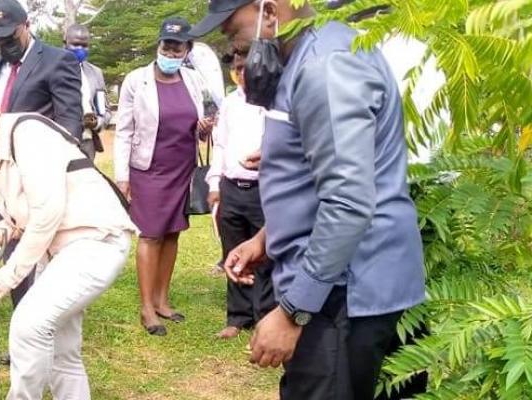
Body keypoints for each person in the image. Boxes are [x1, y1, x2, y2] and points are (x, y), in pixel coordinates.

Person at [192, 1, 426, 398]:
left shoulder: (325, 67)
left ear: (269, 9)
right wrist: (266, 238)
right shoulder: (310, 55)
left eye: (234, 31)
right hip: (340, 286)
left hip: (345, 295)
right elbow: (318, 178)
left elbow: (348, 201)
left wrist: (293, 311)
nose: (233, 44)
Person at [0, 89, 136, 400]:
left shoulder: (29, 135)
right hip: (62, 252)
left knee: (28, 325)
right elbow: (28, 210)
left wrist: (9, 275)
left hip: (95, 242)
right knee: (63, 352)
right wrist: (5, 226)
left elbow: (47, 214)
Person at [0, 0, 85, 307]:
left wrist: (57, 172)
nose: (2, 44)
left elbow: (70, 126)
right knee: (16, 256)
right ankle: (24, 333)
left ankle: (48, 328)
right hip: (2, 180)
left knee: (46, 255)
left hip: (41, 177)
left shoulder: (57, 61)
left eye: (8, 36)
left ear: (26, 25)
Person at [113, 17, 210, 336]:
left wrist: (204, 129)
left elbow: (195, 123)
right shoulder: (136, 80)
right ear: (158, 46)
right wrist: (122, 176)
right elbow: (124, 131)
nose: (170, 52)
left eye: (176, 47)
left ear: (187, 50)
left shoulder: (194, 81)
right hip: (149, 170)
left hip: (182, 167)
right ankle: (146, 307)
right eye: (165, 46)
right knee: (151, 234)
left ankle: (162, 300)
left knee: (172, 233)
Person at [205, 61, 275, 339]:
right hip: (231, 187)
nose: (241, 74)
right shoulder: (230, 103)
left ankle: (265, 317)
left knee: (266, 255)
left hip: (264, 187)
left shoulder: (273, 101)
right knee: (232, 252)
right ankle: (237, 317)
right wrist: (214, 183)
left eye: (246, 68)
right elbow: (220, 144)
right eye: (237, 69)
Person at [63, 24, 112, 160]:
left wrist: (96, 122)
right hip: (60, 143)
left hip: (87, 143)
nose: (80, 49)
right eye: (75, 44)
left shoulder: (95, 73)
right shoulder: (51, 69)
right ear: (65, 44)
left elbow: (105, 111)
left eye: (85, 45)